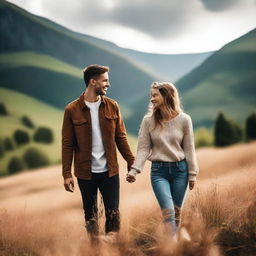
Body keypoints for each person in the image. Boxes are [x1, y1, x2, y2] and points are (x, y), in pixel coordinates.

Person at [62, 64, 134, 241]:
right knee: (91, 217)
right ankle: (95, 250)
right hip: (86, 174)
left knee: (113, 215)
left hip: (110, 172)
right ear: (93, 82)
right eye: (105, 80)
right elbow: (67, 144)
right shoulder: (71, 110)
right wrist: (66, 174)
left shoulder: (112, 106)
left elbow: (121, 137)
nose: (108, 84)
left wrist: (131, 161)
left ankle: (113, 249)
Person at [126, 82, 199, 235]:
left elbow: (189, 148)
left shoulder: (185, 120)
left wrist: (192, 174)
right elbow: (143, 148)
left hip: (181, 171)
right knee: (169, 213)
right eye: (150, 96)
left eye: (155, 95)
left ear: (166, 96)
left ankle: (175, 245)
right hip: (159, 172)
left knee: (177, 214)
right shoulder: (148, 121)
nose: (151, 99)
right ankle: (171, 249)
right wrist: (134, 170)